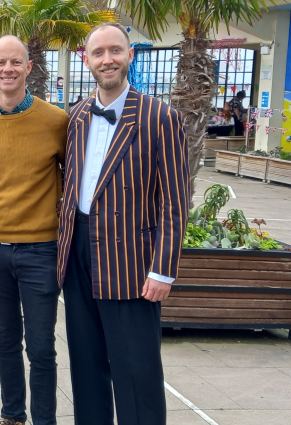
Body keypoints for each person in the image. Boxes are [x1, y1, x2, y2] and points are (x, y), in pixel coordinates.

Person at [57, 22, 189, 425]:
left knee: (137, 371)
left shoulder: (160, 117)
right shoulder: (76, 114)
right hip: (79, 253)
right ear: (87, 60)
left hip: (130, 261)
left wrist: (163, 269)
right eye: (98, 53)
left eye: (115, 50)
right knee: (86, 365)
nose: (107, 59)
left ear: (130, 55)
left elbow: (175, 201)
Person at [0, 35, 68, 425]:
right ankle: (12, 415)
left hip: (41, 249)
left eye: (15, 62)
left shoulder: (56, 121)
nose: (8, 69)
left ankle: (44, 420)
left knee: (41, 347)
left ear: (29, 68)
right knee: (5, 340)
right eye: (0, 62)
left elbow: (70, 178)